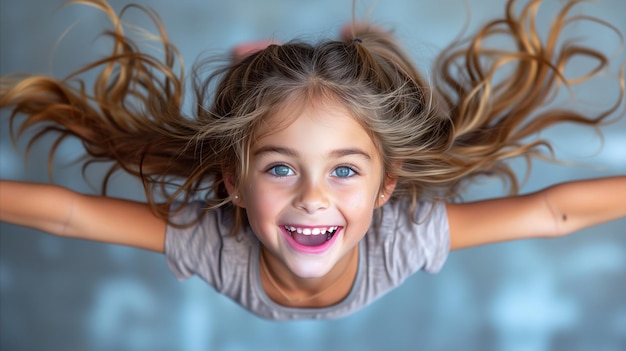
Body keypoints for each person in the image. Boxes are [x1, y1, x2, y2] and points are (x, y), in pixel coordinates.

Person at [0, 0, 624, 320]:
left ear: (387, 188)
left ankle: (354, 50)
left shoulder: (401, 234)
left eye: (345, 170)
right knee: (294, 94)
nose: (313, 197)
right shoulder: (213, 238)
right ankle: (286, 61)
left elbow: (553, 214)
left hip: (357, 113)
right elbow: (69, 217)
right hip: (269, 123)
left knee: (362, 79)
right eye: (279, 168)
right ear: (233, 184)